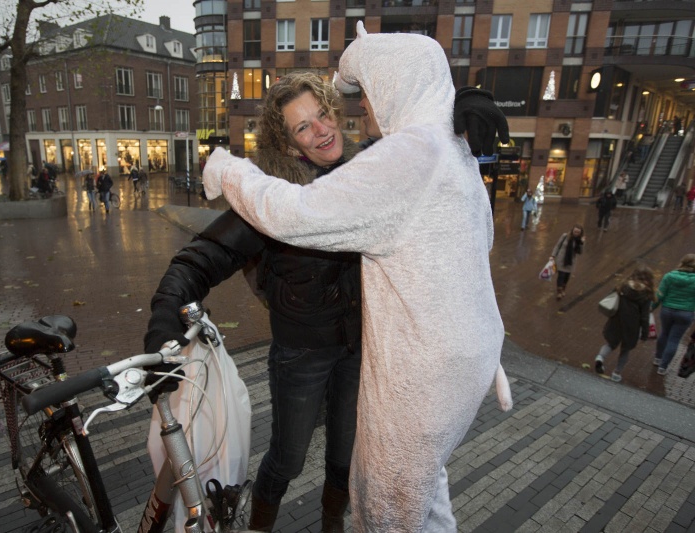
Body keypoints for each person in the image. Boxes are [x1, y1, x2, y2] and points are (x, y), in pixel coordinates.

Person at [145, 69, 508, 532]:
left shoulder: (374, 173)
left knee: (345, 458)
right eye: (303, 127)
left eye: (322, 115)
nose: (321, 130)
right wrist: (164, 320)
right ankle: (260, 527)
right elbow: (198, 260)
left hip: (364, 354)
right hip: (301, 353)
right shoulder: (272, 201)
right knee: (287, 459)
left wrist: (453, 113)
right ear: (289, 143)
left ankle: (331, 525)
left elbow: (422, 145)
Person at [594, 266, 655, 382]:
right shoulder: (646, 294)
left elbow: (610, 296)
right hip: (632, 326)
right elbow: (644, 317)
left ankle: (600, 357)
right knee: (625, 349)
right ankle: (616, 373)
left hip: (616, 320)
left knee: (610, 344)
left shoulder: (623, 286)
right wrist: (645, 333)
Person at [652, 254, 695, 375]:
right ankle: (663, 367)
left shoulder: (669, 276)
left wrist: (651, 308)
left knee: (664, 333)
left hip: (667, 310)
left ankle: (657, 358)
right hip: (686, 313)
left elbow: (659, 295)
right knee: (674, 339)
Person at [551, 224, 585, 300]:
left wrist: (581, 244)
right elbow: (558, 245)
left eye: (577, 232)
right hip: (561, 259)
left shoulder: (579, 241)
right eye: (575, 231)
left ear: (580, 233)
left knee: (566, 277)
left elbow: (580, 252)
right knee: (561, 275)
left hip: (571, 262)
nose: (576, 233)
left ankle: (563, 288)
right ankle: (559, 292)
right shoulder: (565, 236)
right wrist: (553, 255)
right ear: (572, 230)